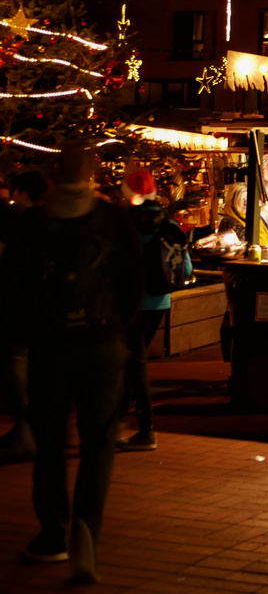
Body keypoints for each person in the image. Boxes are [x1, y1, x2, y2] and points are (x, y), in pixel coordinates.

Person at [7, 142, 143, 583]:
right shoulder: (111, 220)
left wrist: (21, 341)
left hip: (50, 346)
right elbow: (132, 284)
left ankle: (53, 534)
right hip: (101, 343)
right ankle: (87, 529)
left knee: (50, 444)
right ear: (92, 172)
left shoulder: (32, 223)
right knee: (98, 441)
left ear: (52, 173)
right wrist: (120, 334)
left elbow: (12, 289)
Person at [119, 168, 192, 453]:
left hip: (131, 303)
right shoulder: (169, 224)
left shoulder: (127, 224)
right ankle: (125, 424)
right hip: (160, 302)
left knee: (133, 365)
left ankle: (145, 428)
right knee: (133, 362)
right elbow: (185, 268)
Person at [0, 169, 46, 461]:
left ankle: (28, 431)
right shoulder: (47, 219)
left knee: (16, 366)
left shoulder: (26, 223)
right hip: (40, 309)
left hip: (23, 309)